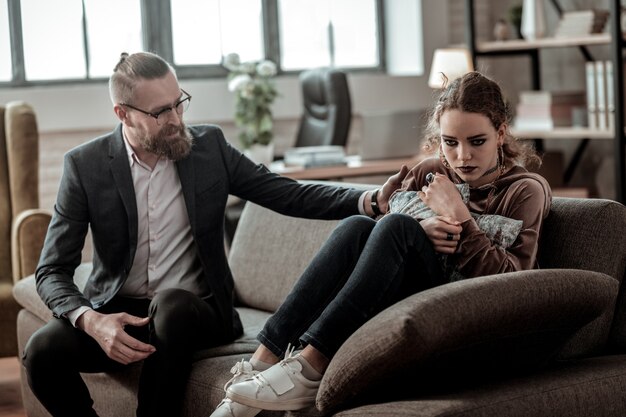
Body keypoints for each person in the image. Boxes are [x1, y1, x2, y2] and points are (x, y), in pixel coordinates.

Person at [22, 51, 404, 417]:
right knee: (41, 351)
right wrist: (91, 320)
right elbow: (51, 269)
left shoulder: (208, 148)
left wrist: (369, 199)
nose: (176, 118)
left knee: (171, 304)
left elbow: (286, 192)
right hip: (120, 311)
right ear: (123, 114)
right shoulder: (85, 166)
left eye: (179, 102)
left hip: (196, 311)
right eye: (160, 112)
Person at [211, 71, 552, 417]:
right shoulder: (431, 171)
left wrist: (460, 217)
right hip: (404, 294)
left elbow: (514, 279)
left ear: (501, 133)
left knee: (399, 227)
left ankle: (310, 367)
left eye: (477, 141)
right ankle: (261, 363)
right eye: (450, 142)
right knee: (358, 225)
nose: (462, 156)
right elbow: (375, 245)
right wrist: (422, 227)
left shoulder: (525, 190)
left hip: (460, 308)